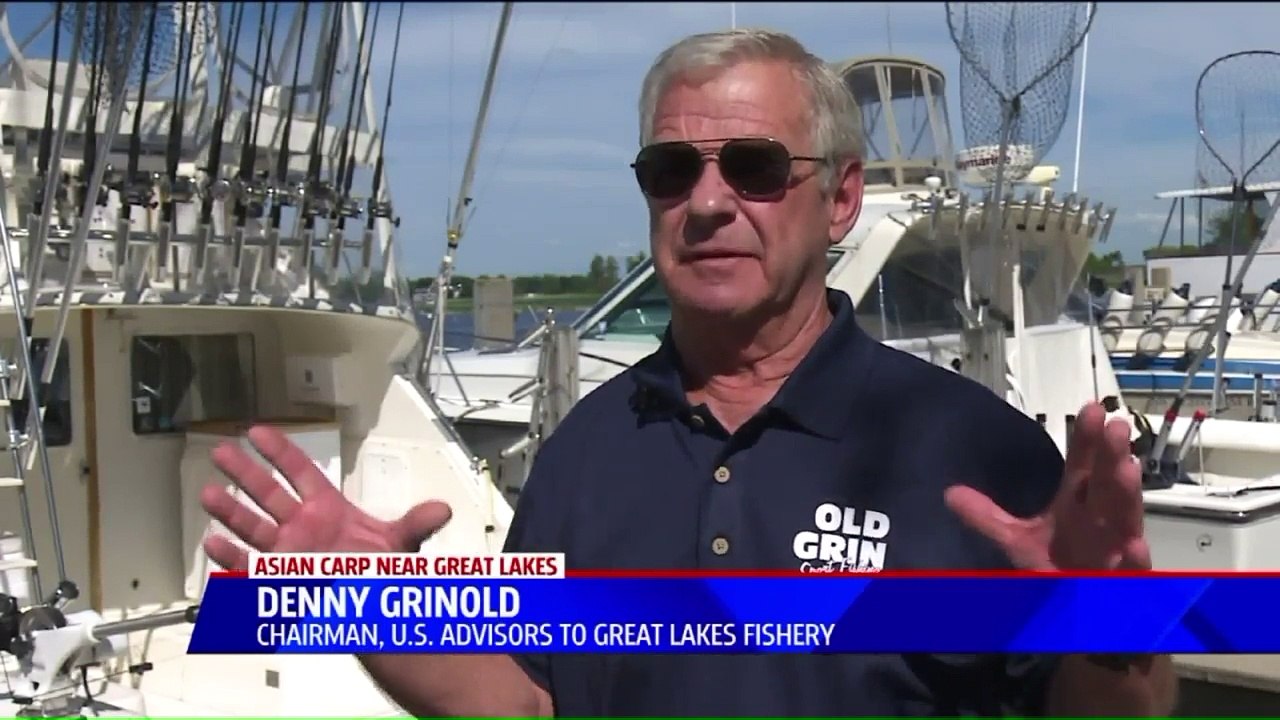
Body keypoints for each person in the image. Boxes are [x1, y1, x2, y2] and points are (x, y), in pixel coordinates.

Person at [200, 28, 1178, 717]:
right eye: (672, 171)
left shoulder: (969, 452)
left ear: (838, 199)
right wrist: (373, 607)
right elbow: (531, 699)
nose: (707, 203)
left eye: (753, 167)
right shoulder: (584, 452)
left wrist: (1107, 631)